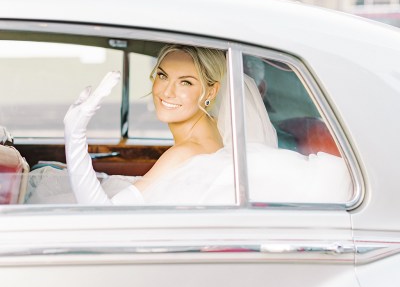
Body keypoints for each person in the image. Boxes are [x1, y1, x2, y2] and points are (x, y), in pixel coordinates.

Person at [25, 43, 353, 205]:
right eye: (164, 76)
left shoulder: (189, 151)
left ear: (210, 90)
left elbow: (101, 216)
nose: (167, 91)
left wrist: (76, 134)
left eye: (186, 83)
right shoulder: (205, 140)